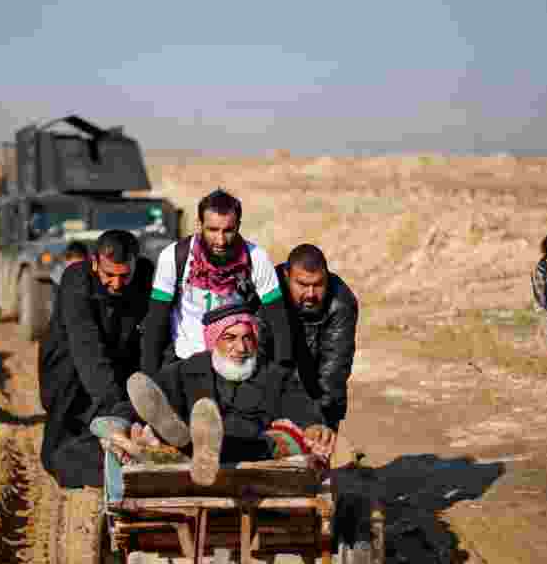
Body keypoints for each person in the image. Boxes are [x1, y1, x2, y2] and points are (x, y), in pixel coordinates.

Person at [95, 303, 335, 487]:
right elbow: (144, 401)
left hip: (251, 448)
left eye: (247, 338)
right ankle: (185, 442)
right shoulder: (185, 371)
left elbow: (300, 405)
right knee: (168, 429)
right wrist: (120, 422)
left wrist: (313, 425)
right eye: (230, 338)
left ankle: (195, 447)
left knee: (282, 440)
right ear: (213, 341)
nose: (241, 348)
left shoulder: (274, 375)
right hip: (187, 445)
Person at [39, 229, 154, 488]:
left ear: (136, 261)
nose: (116, 283)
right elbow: (86, 348)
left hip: (121, 353)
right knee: (59, 452)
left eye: (124, 275)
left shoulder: (147, 275)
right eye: (108, 275)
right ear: (94, 263)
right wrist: (115, 407)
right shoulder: (76, 280)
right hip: (70, 361)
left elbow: (150, 337)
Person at [141, 189, 292, 376]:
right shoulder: (173, 257)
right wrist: (150, 376)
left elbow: (279, 322)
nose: (220, 240)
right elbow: (156, 321)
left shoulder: (257, 259)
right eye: (212, 230)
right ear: (199, 224)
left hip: (237, 364)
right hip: (187, 363)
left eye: (228, 231)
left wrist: (281, 375)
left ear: (238, 226)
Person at [261, 244, 358, 430]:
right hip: (270, 395)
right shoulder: (266, 292)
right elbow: (258, 357)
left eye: (318, 284)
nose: (311, 294)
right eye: (303, 285)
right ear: (287, 276)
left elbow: (333, 373)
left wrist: (315, 424)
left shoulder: (341, 303)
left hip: (318, 399)